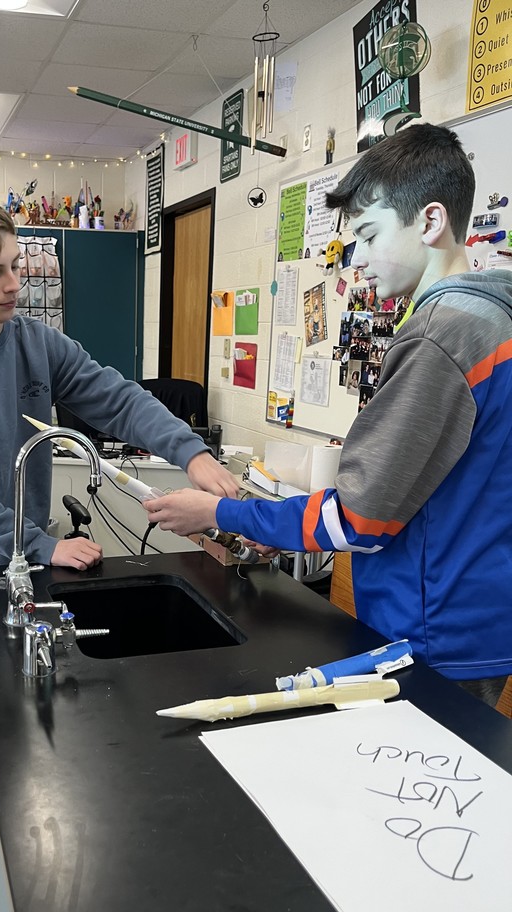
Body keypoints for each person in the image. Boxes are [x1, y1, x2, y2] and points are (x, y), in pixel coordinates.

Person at [0, 192, 238, 886]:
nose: (14, 284)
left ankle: (18, 810)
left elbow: (118, 395)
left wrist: (191, 452)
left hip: (24, 556)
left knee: (28, 699)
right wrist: (39, 544)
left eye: (15, 266)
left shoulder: (36, 342)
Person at [145, 123, 512, 708]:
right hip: (478, 617)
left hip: (428, 633)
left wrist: (224, 513)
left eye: (368, 235)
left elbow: (360, 520)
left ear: (431, 221)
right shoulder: (495, 321)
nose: (357, 261)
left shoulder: (443, 336)